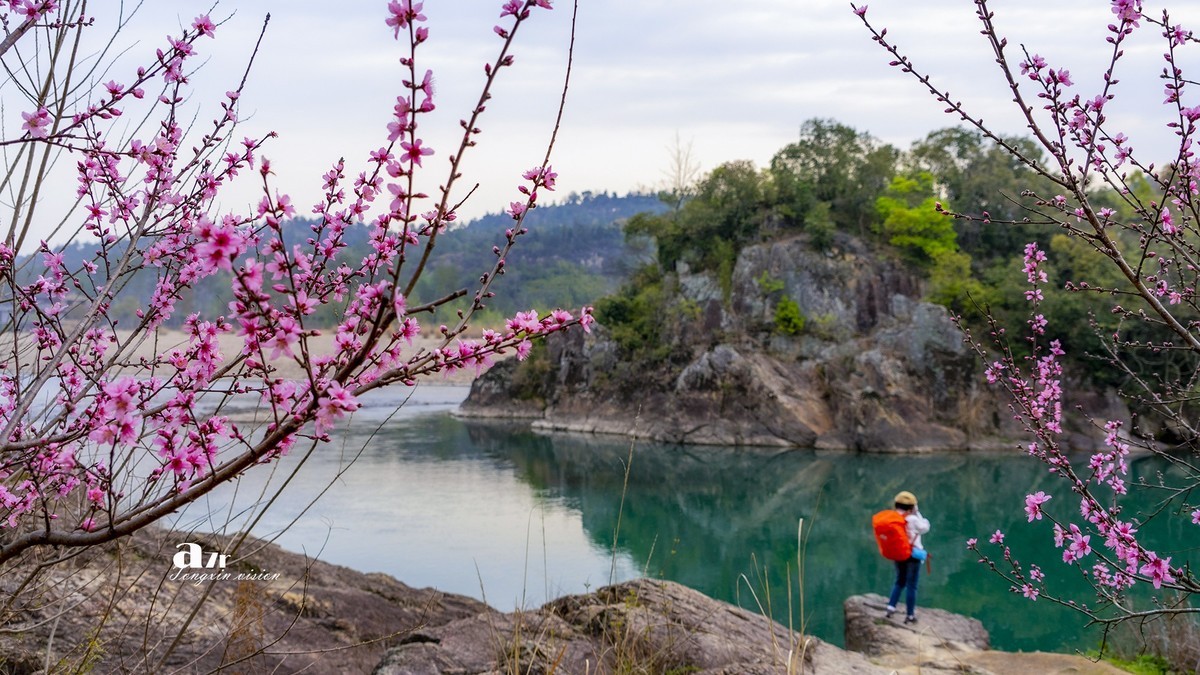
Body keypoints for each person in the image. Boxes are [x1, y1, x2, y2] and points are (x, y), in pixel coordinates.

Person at [886, 490, 930, 624]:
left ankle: (890, 607)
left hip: (898, 553)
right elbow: (925, 527)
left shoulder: (893, 518)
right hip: (913, 555)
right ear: (912, 507)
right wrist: (918, 513)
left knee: (899, 581)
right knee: (912, 585)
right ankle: (910, 615)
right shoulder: (913, 519)